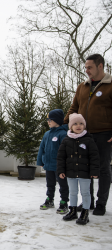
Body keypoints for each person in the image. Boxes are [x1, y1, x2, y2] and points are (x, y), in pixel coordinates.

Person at [64, 54, 112, 216]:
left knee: (103, 168)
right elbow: (74, 108)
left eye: (89, 67)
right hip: (83, 135)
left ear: (100, 66)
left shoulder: (110, 85)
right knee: (85, 168)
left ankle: (101, 204)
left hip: (104, 134)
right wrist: (66, 124)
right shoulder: (82, 87)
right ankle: (88, 202)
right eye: (85, 67)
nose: (87, 70)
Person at [57, 113, 99, 225]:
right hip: (70, 173)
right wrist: (61, 170)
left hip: (85, 173)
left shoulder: (89, 140)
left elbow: (94, 156)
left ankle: (85, 213)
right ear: (71, 126)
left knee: (85, 193)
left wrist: (94, 171)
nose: (78, 125)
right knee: (73, 192)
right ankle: (73, 211)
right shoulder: (66, 140)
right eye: (75, 123)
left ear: (84, 125)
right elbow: (61, 157)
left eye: (81, 123)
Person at [37, 109, 69, 214]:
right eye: (47, 120)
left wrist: (65, 165)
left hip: (59, 166)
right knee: (50, 184)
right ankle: (49, 199)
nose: (48, 122)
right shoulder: (47, 134)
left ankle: (64, 202)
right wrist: (40, 161)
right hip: (49, 165)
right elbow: (42, 148)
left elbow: (65, 151)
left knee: (63, 184)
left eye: (50, 119)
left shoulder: (63, 134)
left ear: (57, 120)